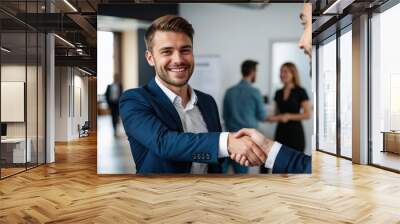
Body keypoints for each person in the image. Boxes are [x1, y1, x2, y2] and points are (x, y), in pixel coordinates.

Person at [119, 15, 267, 174]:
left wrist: (236, 151)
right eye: (167, 51)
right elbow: (164, 143)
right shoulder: (134, 100)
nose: (178, 59)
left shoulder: (207, 101)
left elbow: (214, 161)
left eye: (185, 50)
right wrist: (226, 142)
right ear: (150, 58)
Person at [231, 3, 313, 173]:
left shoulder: (300, 91)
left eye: (285, 71)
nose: (282, 74)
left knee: (293, 168)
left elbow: (307, 114)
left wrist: (287, 116)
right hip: (281, 132)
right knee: (278, 166)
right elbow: (274, 115)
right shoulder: (277, 92)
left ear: (292, 73)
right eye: (281, 71)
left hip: (295, 133)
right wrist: (270, 118)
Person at [222, 60, 267, 174]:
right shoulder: (255, 92)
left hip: (228, 139)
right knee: (241, 177)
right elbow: (262, 116)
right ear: (252, 72)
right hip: (246, 141)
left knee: (221, 175)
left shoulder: (229, 92)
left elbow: (224, 116)